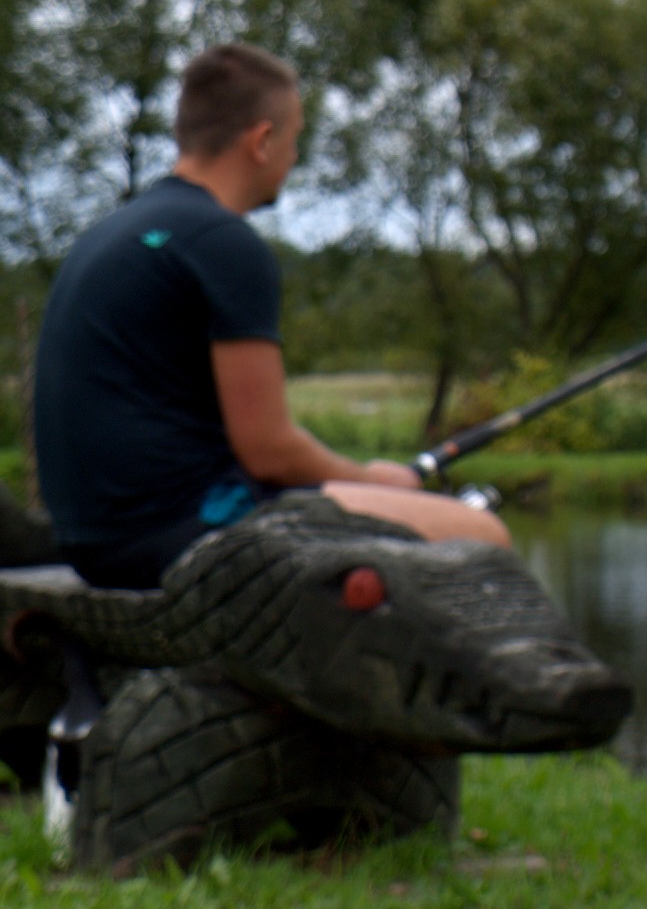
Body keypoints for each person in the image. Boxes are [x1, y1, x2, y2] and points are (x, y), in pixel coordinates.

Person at [34, 42, 509, 589]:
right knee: (481, 534)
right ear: (262, 141)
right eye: (294, 139)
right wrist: (375, 479)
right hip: (183, 534)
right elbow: (269, 452)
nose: (295, 157)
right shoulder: (222, 242)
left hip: (93, 541)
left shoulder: (109, 233)